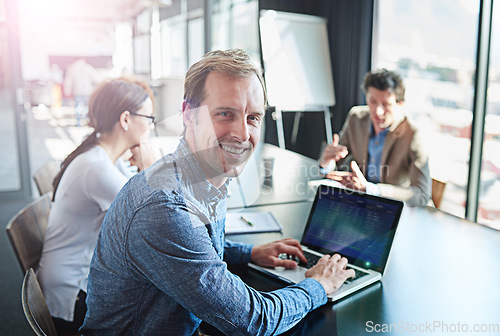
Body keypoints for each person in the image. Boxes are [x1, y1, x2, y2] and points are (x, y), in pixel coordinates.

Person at [81, 49, 355, 336]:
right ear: (189, 114)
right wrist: (318, 285)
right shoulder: (163, 207)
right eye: (225, 114)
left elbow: (194, 248)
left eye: (253, 118)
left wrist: (250, 253)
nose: (242, 134)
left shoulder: (203, 174)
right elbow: (254, 320)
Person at [37, 77, 157, 335]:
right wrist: (150, 169)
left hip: (75, 281)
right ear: (126, 120)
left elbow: (141, 203)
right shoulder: (96, 167)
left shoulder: (104, 157)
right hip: (72, 297)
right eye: (148, 118)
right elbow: (155, 217)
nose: (150, 127)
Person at [319, 69, 431, 206]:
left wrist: (370, 189)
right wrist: (326, 163)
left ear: (400, 104)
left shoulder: (413, 134)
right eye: (373, 102)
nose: (378, 111)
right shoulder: (356, 118)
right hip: (362, 205)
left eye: (386, 104)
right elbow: (338, 163)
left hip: (394, 210)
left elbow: (422, 194)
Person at [64, 58, 97, 126]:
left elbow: (68, 81)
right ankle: (86, 120)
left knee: (78, 106)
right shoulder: (88, 67)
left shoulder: (72, 68)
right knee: (87, 106)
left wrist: (67, 91)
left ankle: (79, 122)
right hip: (87, 91)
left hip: (77, 91)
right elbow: (94, 79)